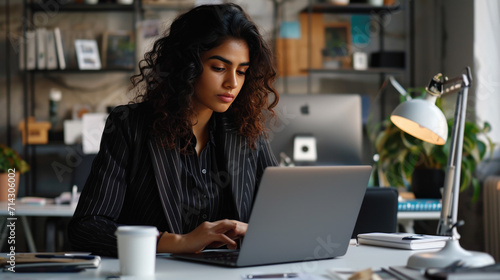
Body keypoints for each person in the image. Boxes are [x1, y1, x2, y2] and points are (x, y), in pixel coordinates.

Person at [68, 3, 279, 257]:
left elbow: (282, 213)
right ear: (186, 65)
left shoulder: (247, 132)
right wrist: (176, 242)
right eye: (219, 68)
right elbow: (87, 227)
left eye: (242, 71)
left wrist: (256, 231)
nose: (232, 83)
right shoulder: (129, 125)